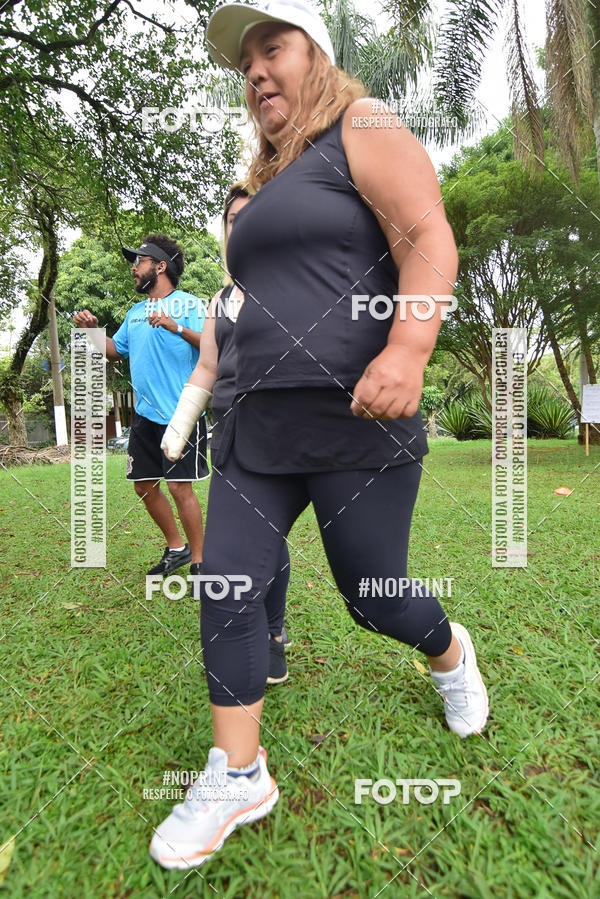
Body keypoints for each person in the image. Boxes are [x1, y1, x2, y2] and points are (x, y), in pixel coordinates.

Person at [150, 0, 488, 871]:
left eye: (274, 48)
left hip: (356, 416)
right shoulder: (262, 176)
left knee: (372, 595)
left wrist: (411, 346)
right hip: (258, 422)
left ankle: (449, 653)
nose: (256, 70)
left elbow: (428, 236)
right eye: (246, 62)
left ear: (318, 55)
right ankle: (238, 772)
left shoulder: (361, 124)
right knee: (225, 583)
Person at [164, 184, 291, 684]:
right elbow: (206, 368)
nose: (240, 226)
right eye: (231, 219)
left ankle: (273, 632)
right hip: (232, 433)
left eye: (251, 216)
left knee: (277, 539)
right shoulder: (219, 299)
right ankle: (252, 636)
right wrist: (180, 426)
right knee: (236, 549)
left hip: (285, 429)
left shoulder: (292, 287)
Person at [73, 234, 209, 580]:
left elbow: (214, 346)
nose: (134, 268)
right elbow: (115, 350)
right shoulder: (135, 313)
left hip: (183, 414)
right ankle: (176, 548)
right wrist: (92, 331)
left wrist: (174, 326)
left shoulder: (190, 305)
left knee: (180, 488)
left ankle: (201, 561)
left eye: (140, 261)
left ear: (160, 266)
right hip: (144, 416)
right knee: (144, 485)